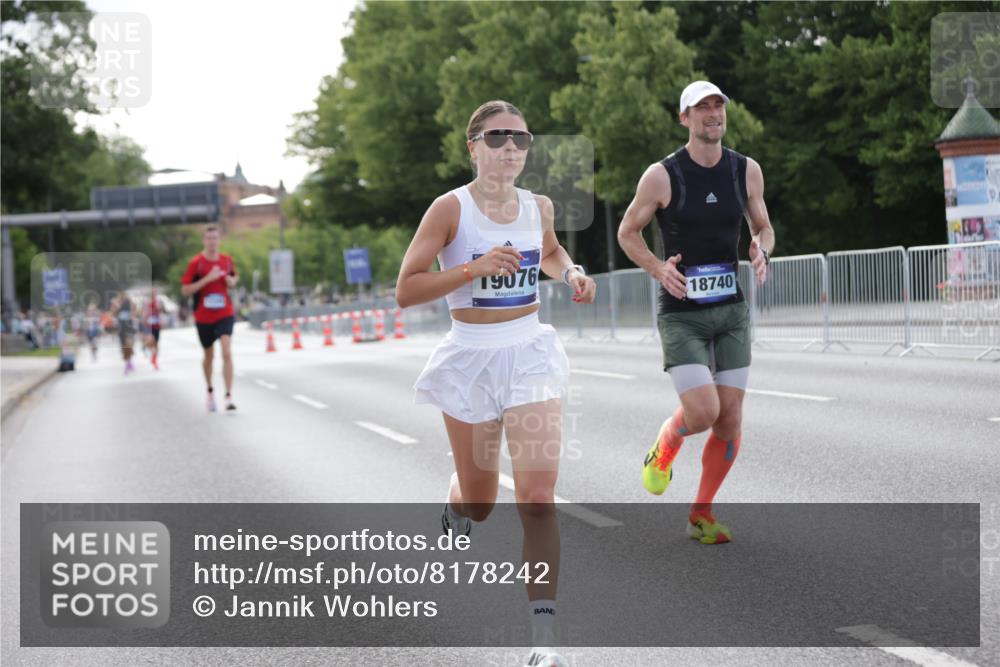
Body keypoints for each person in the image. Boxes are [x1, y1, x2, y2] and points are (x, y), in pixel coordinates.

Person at [396, 100, 596, 667]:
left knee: (536, 498)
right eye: (498, 137)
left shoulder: (539, 206)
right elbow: (407, 288)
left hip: (530, 353)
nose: (510, 147)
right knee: (482, 503)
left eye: (521, 138)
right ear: (473, 146)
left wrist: (573, 273)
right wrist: (472, 270)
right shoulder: (449, 209)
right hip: (471, 360)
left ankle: (544, 641)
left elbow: (551, 252)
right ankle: (456, 503)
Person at [618, 81, 775, 544]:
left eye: (718, 105)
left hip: (731, 310)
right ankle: (667, 441)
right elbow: (629, 232)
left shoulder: (745, 170)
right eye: (701, 107)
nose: (712, 113)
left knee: (729, 418)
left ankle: (701, 512)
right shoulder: (662, 176)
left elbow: (763, 226)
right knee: (703, 413)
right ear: (684, 118)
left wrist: (761, 249)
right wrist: (656, 268)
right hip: (681, 313)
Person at [180, 225, 238, 412]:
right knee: (209, 356)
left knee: (226, 350)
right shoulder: (196, 263)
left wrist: (231, 282)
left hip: (224, 313)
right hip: (204, 317)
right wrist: (207, 279)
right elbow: (185, 290)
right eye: (209, 238)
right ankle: (210, 390)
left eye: (215, 238)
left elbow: (233, 278)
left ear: (219, 240)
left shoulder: (227, 261)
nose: (212, 242)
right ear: (204, 241)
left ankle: (228, 396)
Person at [113, 291, 136, 375]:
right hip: (121, 326)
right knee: (124, 347)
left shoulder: (129, 301)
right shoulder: (116, 303)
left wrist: (132, 314)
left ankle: (129, 360)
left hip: (128, 325)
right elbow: (113, 313)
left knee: (129, 344)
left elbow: (134, 309)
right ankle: (127, 363)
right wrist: (116, 306)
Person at [143, 288, 163, 370]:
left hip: (156, 325)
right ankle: (150, 351)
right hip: (149, 325)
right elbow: (144, 312)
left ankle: (154, 358)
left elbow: (160, 309)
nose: (153, 294)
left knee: (156, 343)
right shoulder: (147, 302)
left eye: (154, 293)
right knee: (150, 341)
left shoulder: (158, 301)